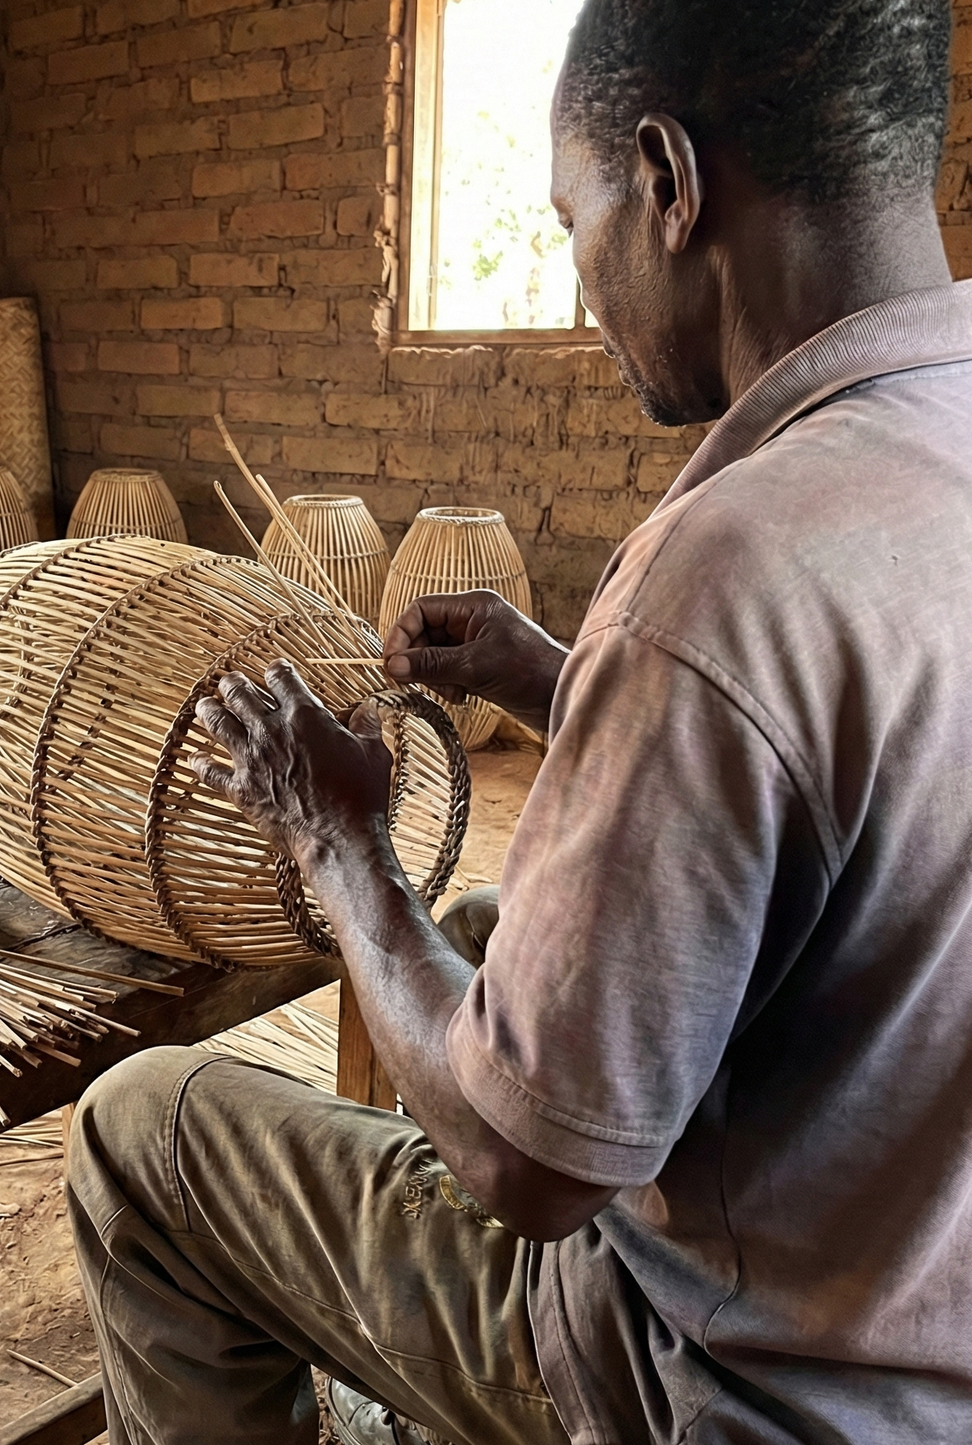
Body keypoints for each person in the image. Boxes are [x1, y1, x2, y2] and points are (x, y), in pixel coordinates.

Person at [66, 0, 972, 1440]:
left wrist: (337, 841)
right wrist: (568, 679)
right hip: (920, 1281)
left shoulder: (727, 563)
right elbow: (869, 775)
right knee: (490, 921)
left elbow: (524, 1171)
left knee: (142, 1126)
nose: (583, 276)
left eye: (573, 219)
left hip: (739, 1380)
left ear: (669, 184)